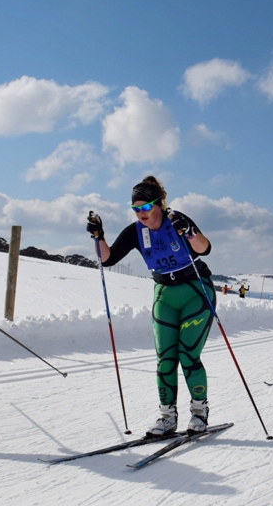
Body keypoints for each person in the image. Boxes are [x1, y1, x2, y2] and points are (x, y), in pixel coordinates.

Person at [87, 176, 215, 437]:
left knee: (187, 354)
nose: (141, 213)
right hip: (164, 295)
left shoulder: (177, 220)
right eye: (136, 208)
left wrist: (189, 232)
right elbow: (108, 259)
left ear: (158, 204)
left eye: (146, 207)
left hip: (195, 290)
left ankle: (199, 413)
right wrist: (98, 236)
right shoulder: (136, 231)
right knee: (165, 359)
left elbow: (205, 248)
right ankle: (167, 417)